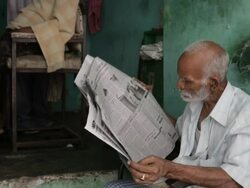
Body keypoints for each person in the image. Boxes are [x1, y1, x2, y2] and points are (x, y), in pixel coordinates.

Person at [105, 40, 250, 188]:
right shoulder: (198, 102)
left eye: (187, 81)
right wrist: (146, 103)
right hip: (181, 183)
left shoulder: (244, 114)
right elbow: (177, 129)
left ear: (213, 83)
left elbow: (233, 181)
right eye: (180, 78)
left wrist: (169, 169)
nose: (179, 85)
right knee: (113, 187)